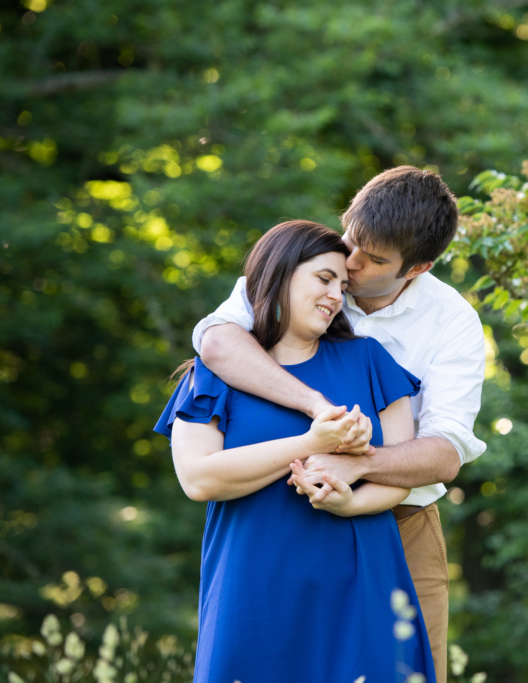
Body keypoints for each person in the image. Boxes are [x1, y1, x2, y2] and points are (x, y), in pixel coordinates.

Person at [192, 166, 486, 683]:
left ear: (417, 268)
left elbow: (445, 452)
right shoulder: (307, 269)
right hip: (279, 518)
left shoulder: (452, 321)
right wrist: (315, 410)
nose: (349, 265)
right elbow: (217, 343)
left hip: (401, 523)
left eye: (373, 260)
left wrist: (357, 464)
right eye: (352, 241)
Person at [155, 220, 435, 683]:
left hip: (361, 585)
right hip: (254, 592)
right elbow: (198, 478)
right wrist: (311, 442)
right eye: (323, 279)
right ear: (279, 273)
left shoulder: (370, 360)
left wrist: (351, 500)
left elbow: (400, 476)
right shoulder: (213, 373)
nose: (335, 295)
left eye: (343, 286)